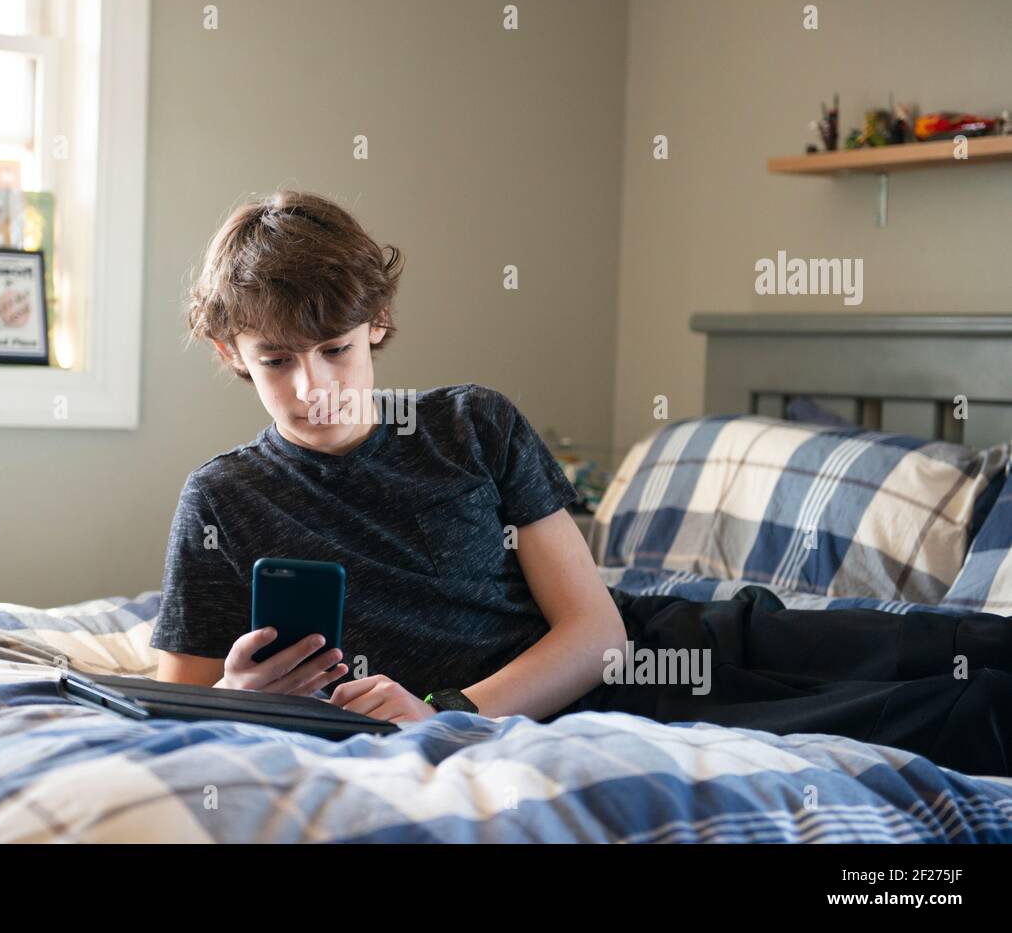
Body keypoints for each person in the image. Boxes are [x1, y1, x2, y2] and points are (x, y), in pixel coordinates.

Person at [153, 190, 1012, 775]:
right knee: (959, 720)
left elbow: (595, 624)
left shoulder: (471, 424)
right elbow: (174, 710)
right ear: (233, 354)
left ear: (377, 322)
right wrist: (243, 698)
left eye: (336, 347)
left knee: (959, 648)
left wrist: (444, 709)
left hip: (675, 639)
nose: (314, 386)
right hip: (609, 721)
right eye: (276, 361)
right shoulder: (223, 500)